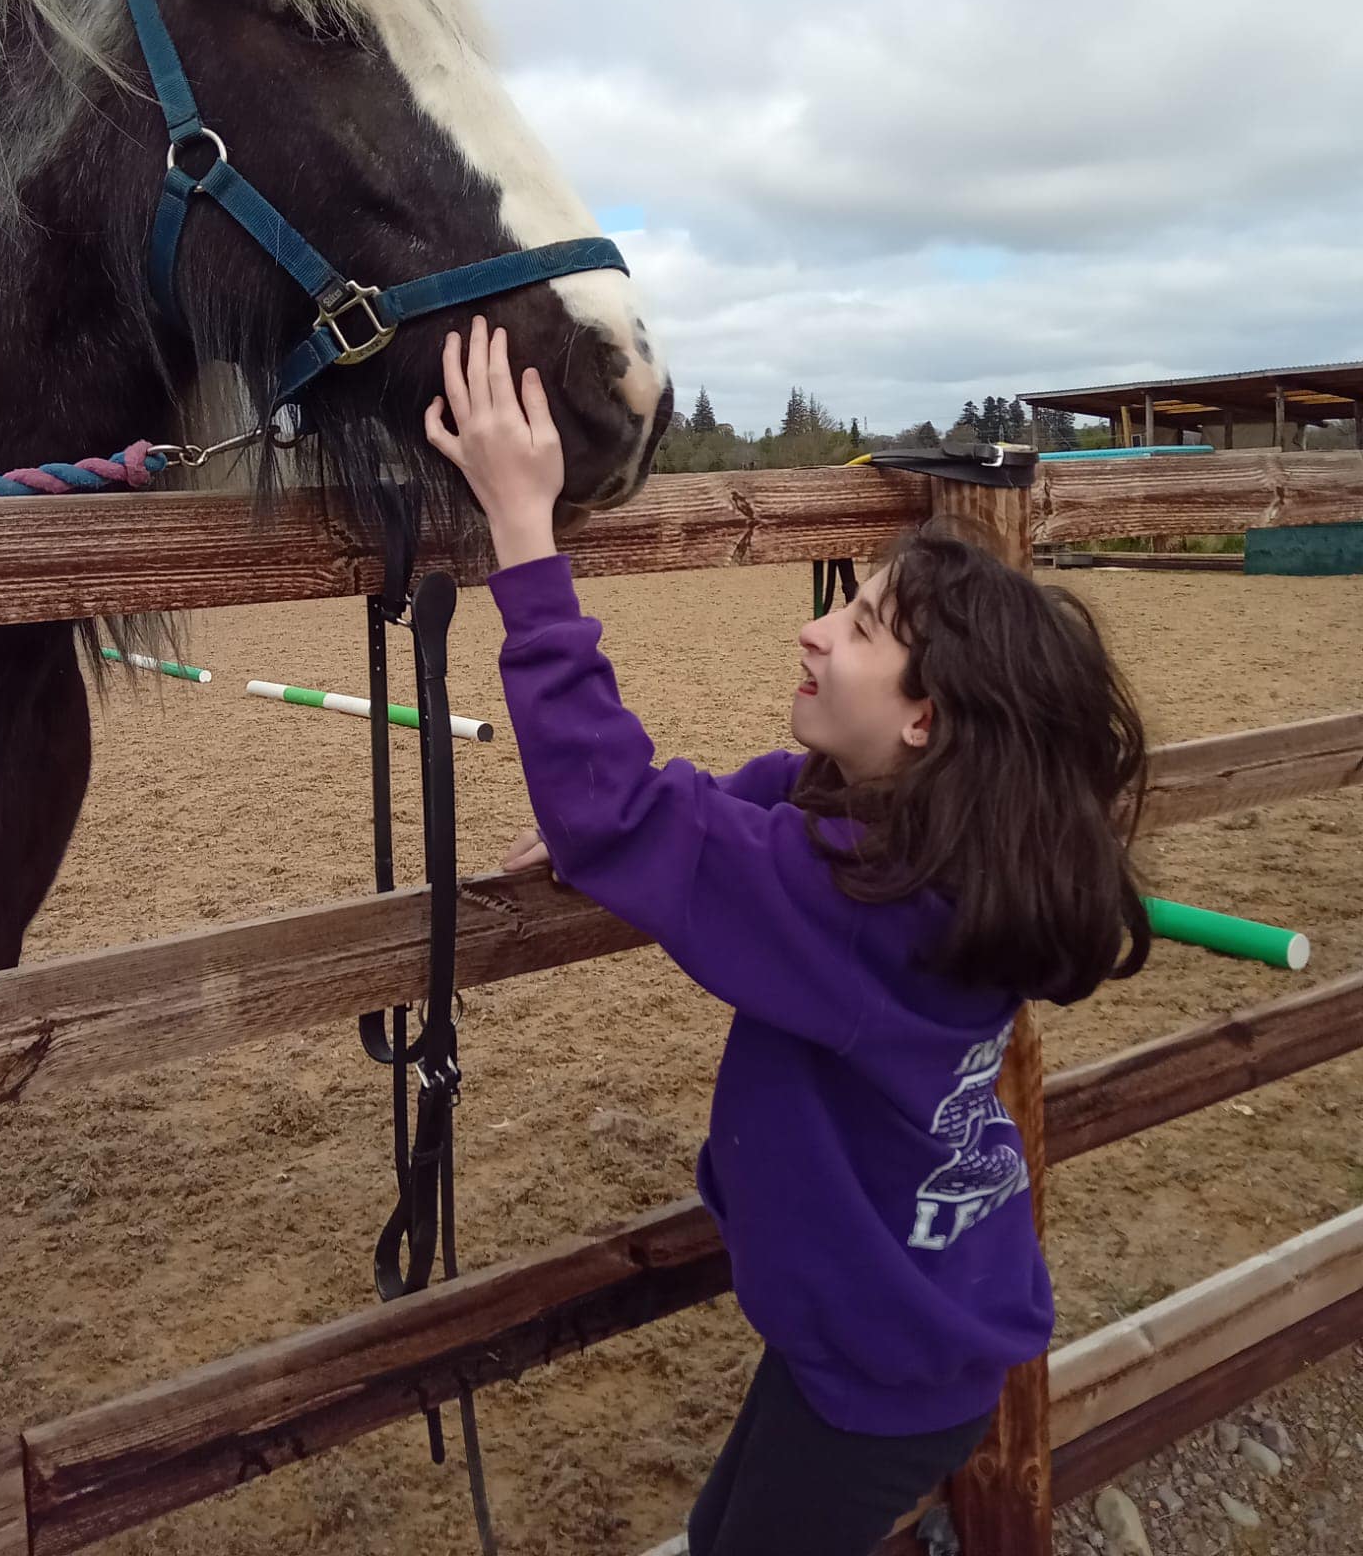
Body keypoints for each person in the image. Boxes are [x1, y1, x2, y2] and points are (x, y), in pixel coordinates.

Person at [425, 319, 1151, 1556]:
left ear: (926, 721)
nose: (816, 630)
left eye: (863, 627)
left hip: (884, 1362)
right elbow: (766, 790)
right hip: (912, 1319)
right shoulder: (946, 849)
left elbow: (618, 809)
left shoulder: (858, 906)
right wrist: (658, 827)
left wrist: (524, 535)